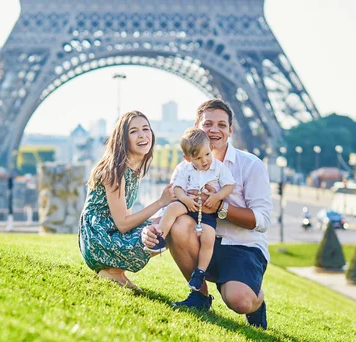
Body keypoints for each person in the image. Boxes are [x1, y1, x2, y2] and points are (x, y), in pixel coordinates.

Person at [142, 99, 273, 329]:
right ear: (197, 127)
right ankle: (199, 296)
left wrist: (221, 208)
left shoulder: (251, 165)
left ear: (230, 130)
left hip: (242, 247)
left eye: (222, 125)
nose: (214, 130)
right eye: (208, 124)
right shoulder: (185, 168)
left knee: (240, 301)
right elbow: (168, 211)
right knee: (178, 223)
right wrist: (150, 230)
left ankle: (257, 301)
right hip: (200, 240)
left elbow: (262, 221)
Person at [78, 110, 175, 290]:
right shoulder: (115, 170)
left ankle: (117, 271)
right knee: (165, 227)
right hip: (98, 240)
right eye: (133, 131)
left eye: (146, 129)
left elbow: (127, 221)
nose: (142, 135)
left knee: (170, 222)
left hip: (108, 234)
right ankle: (111, 270)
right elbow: (123, 224)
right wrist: (161, 202)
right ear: (122, 139)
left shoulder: (132, 170)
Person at [146, 127, 235, 292]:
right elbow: (178, 188)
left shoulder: (219, 167)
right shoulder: (185, 169)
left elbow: (229, 186)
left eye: (207, 155)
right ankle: (160, 236)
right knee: (172, 208)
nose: (204, 161)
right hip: (188, 205)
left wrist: (216, 197)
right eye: (198, 158)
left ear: (211, 149)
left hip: (207, 211)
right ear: (187, 158)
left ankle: (200, 272)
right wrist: (185, 199)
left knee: (208, 239)